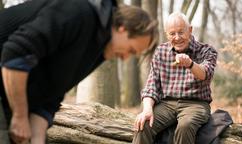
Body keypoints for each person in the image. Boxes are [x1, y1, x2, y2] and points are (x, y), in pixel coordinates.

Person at [0, 0, 158, 143]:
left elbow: (52, 94)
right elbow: (15, 54)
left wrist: (37, 138)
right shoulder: (79, 12)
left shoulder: (97, 49)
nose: (125, 58)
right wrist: (20, 117)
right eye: (130, 50)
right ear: (122, 28)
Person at [132, 12, 218, 144]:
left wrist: (190, 64)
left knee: (185, 126)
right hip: (166, 104)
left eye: (181, 32)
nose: (177, 38)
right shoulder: (161, 52)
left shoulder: (206, 50)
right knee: (144, 124)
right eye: (172, 34)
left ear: (190, 30)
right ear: (167, 34)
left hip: (196, 104)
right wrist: (147, 109)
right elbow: (151, 85)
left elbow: (206, 74)